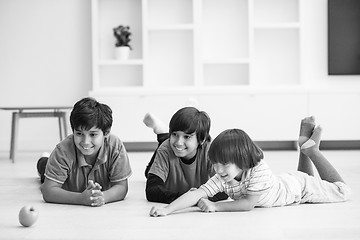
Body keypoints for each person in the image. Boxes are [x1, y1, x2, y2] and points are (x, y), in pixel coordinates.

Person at [149, 116, 352, 217]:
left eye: (224, 165)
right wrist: (167, 210)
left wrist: (216, 206)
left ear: (243, 160)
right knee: (303, 175)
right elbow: (197, 193)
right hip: (289, 181)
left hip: (299, 191)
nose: (218, 170)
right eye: (215, 164)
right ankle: (303, 146)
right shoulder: (223, 174)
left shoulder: (258, 170)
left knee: (343, 191)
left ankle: (311, 150)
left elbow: (247, 204)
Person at [37, 97, 132, 207]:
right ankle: (44, 160)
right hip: (62, 177)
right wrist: (81, 198)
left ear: (106, 132)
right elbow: (48, 191)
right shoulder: (62, 150)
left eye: (93, 134)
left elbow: (122, 187)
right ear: (73, 131)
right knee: (44, 170)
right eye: (79, 134)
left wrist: (102, 197)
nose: (85, 142)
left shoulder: (115, 146)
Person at [144, 107, 227, 203]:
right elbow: (152, 191)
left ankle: (164, 133)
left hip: (180, 150)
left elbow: (224, 190)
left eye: (187, 136)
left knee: (175, 146)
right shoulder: (165, 149)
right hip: (168, 149)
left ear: (202, 140)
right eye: (174, 134)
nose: (179, 142)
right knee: (148, 172)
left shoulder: (211, 150)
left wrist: (192, 198)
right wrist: (190, 199)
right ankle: (163, 135)